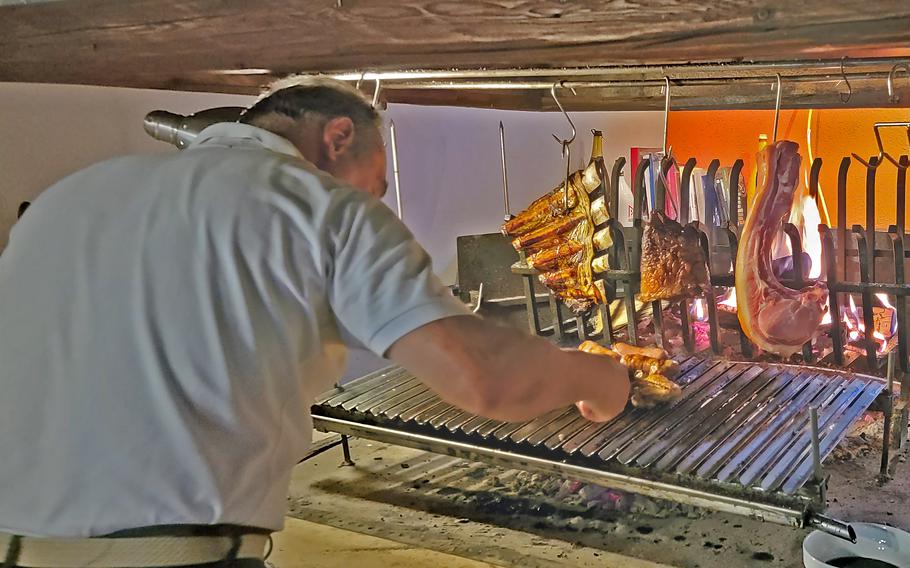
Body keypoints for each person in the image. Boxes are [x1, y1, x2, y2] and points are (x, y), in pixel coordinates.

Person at [0, 77, 630, 568]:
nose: (376, 201)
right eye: (377, 185)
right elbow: (485, 379)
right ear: (336, 139)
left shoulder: (72, 195)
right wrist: (597, 378)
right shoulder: (321, 209)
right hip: (164, 551)